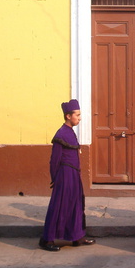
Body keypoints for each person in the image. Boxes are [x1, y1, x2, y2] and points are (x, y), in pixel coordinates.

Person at [39, 99, 95, 252]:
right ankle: (47, 239)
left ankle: (77, 236)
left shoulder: (70, 132)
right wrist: (55, 178)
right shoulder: (61, 133)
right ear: (68, 116)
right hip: (64, 176)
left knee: (76, 206)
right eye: (77, 115)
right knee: (59, 206)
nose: (80, 117)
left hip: (74, 175)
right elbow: (54, 159)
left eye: (79, 114)